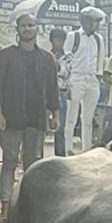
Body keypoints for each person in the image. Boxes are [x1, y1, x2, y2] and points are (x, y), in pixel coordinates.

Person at [0, 14, 59, 223]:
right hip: (11, 118)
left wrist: (54, 115)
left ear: (37, 29)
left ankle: (30, 211)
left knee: (33, 165)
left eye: (31, 25)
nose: (28, 29)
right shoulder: (6, 56)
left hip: (36, 119)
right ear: (17, 29)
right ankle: (5, 210)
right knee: (9, 162)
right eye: (24, 26)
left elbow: (53, 89)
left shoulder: (47, 58)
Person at [59, 6, 107, 153]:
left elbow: (100, 59)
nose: (97, 25)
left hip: (92, 80)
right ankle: (69, 150)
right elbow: (66, 60)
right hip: (76, 79)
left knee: (88, 119)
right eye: (95, 22)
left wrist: (99, 78)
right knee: (71, 118)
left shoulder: (99, 39)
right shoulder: (74, 36)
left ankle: (86, 151)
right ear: (86, 22)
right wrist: (66, 83)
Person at [48, 28, 69, 156]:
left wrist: (57, 65)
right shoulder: (45, 55)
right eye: (56, 40)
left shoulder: (68, 57)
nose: (59, 43)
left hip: (61, 92)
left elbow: (66, 73)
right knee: (41, 127)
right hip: (46, 92)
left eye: (61, 40)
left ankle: (60, 156)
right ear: (51, 40)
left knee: (60, 128)